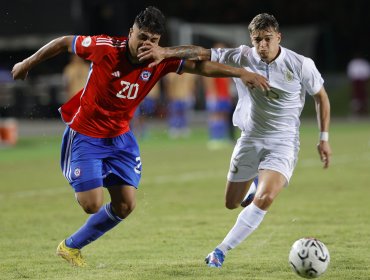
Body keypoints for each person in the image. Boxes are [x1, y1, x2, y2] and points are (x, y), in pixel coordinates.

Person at [11, 7, 270, 267]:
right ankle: (84, 175)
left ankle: (70, 247)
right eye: (142, 38)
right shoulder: (106, 48)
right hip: (86, 135)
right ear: (130, 32)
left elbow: (200, 66)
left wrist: (241, 73)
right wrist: (27, 63)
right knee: (91, 204)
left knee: (125, 205)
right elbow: (64, 42)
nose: (146, 45)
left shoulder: (160, 60)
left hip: (120, 138)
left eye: (153, 41)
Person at [138, 13, 332, 267]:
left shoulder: (300, 64)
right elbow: (201, 53)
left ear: (279, 38)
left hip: (282, 143)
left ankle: (220, 251)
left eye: (267, 39)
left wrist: (323, 138)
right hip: (249, 139)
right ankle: (251, 187)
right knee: (232, 203)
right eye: (257, 40)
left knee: (265, 198)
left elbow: (321, 97)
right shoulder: (243, 56)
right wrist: (165, 52)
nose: (262, 45)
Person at [164, 72, 197, 138]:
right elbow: (168, 84)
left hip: (185, 95)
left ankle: (183, 127)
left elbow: (192, 84)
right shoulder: (172, 73)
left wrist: (192, 94)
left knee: (184, 113)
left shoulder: (189, 74)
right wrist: (170, 94)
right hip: (175, 96)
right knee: (175, 112)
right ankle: (174, 128)